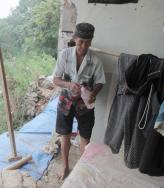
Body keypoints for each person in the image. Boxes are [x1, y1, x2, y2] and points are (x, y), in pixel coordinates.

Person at [53, 22, 105, 179]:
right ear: (75, 38)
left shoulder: (95, 60)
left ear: (91, 41)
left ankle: (80, 173)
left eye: (88, 42)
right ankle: (66, 167)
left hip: (85, 104)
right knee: (65, 135)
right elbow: (56, 79)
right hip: (66, 101)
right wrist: (69, 84)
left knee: (85, 138)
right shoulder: (65, 55)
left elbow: (100, 82)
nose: (84, 45)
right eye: (81, 41)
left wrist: (93, 93)